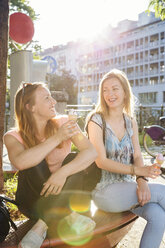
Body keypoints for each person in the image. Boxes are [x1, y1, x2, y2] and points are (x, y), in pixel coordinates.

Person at [3, 82, 97, 248]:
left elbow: (91, 152)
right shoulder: (12, 136)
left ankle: (42, 225)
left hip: (65, 198)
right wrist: (58, 138)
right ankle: (69, 217)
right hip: (33, 201)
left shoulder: (65, 122)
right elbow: (20, 161)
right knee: (32, 159)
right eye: (47, 98)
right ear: (30, 107)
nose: (53, 101)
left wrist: (62, 173)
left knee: (74, 158)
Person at [86, 69, 165, 248]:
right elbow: (101, 161)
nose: (109, 94)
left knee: (158, 215)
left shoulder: (130, 121)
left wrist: (142, 180)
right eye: (105, 90)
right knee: (161, 192)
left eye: (115, 88)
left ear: (124, 92)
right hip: (105, 191)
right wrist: (139, 171)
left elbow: (137, 155)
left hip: (129, 188)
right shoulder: (96, 120)